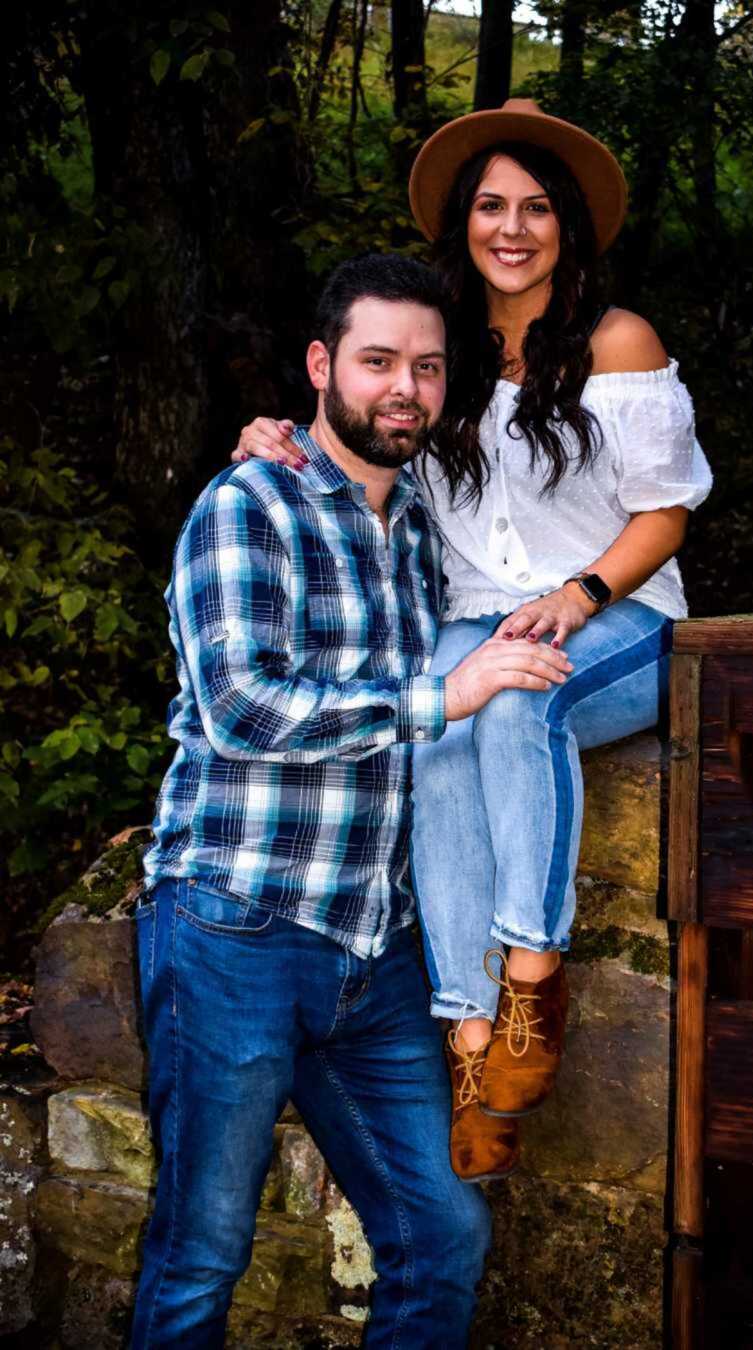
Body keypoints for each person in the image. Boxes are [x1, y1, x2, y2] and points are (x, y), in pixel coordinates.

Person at [235, 99, 713, 1186]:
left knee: (509, 695)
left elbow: (666, 512)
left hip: (622, 617)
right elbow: (364, 433)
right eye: (492, 205)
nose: (513, 227)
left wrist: (580, 595)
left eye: (537, 208)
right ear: (463, 222)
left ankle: (533, 982)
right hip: (472, 615)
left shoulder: (616, 341)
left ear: (568, 227)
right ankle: (466, 1035)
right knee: (439, 725)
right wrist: (273, 438)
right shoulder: (436, 348)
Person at [134, 252, 574, 1349]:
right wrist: (446, 694)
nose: (405, 390)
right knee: (201, 1254)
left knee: (442, 1234)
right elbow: (242, 706)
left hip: (378, 953)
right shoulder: (249, 505)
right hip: (237, 927)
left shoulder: (428, 522)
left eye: (427, 368)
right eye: (378, 362)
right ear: (322, 366)